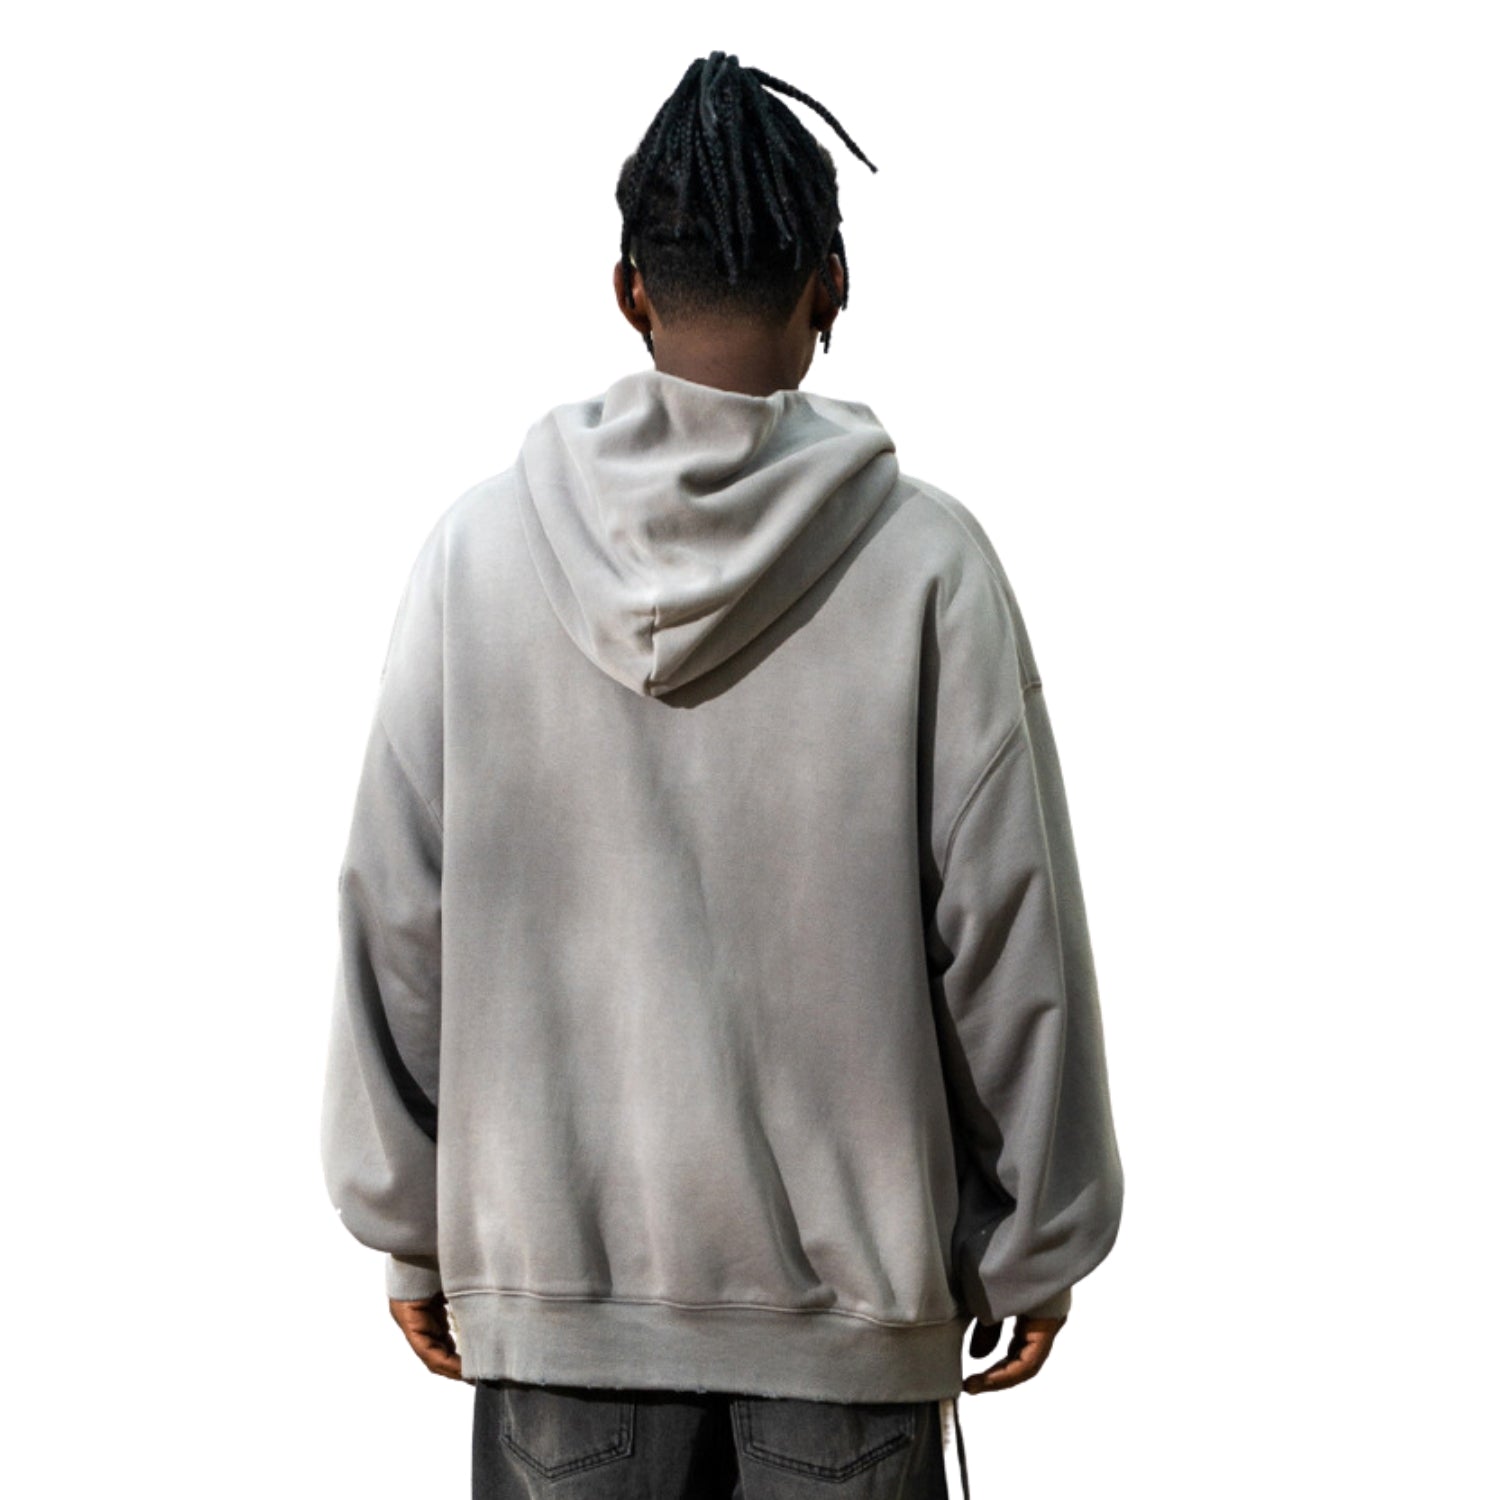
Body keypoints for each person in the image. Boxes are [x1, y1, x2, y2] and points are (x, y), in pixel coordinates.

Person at [320, 50, 1124, 1500]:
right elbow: (1011, 935)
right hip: (854, 1327)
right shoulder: (928, 566)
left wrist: (409, 1224)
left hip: (559, 1319)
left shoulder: (476, 557)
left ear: (630, 290)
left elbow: (395, 915)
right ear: (832, 286)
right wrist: (1038, 1237)